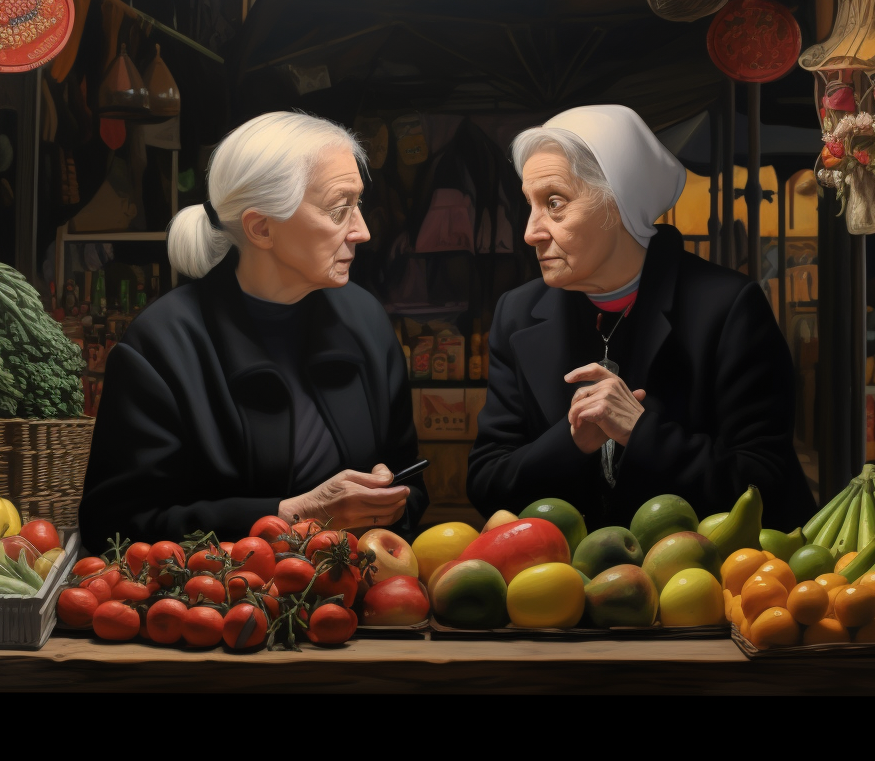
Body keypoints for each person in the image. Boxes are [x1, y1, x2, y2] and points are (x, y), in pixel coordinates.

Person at [78, 112, 426, 547]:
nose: (362, 231)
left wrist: (390, 500)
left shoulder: (365, 321)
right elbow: (113, 528)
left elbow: (410, 477)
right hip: (223, 606)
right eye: (340, 210)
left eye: (357, 205)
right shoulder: (161, 348)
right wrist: (293, 515)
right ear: (261, 227)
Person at [467, 104, 814, 532]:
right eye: (531, 205)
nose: (530, 231)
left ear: (619, 201)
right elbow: (485, 484)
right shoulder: (517, 314)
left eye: (554, 203)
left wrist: (641, 433)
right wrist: (572, 442)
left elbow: (765, 484)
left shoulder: (728, 307)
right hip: (565, 584)